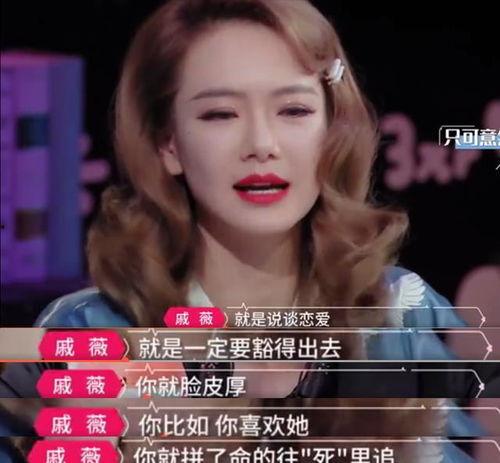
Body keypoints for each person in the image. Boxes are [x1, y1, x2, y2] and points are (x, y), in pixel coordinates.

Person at [16, 0, 487, 460]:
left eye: (294, 111)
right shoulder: (86, 330)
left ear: (332, 131)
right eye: (221, 114)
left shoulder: (399, 313)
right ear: (168, 143)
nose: (262, 144)